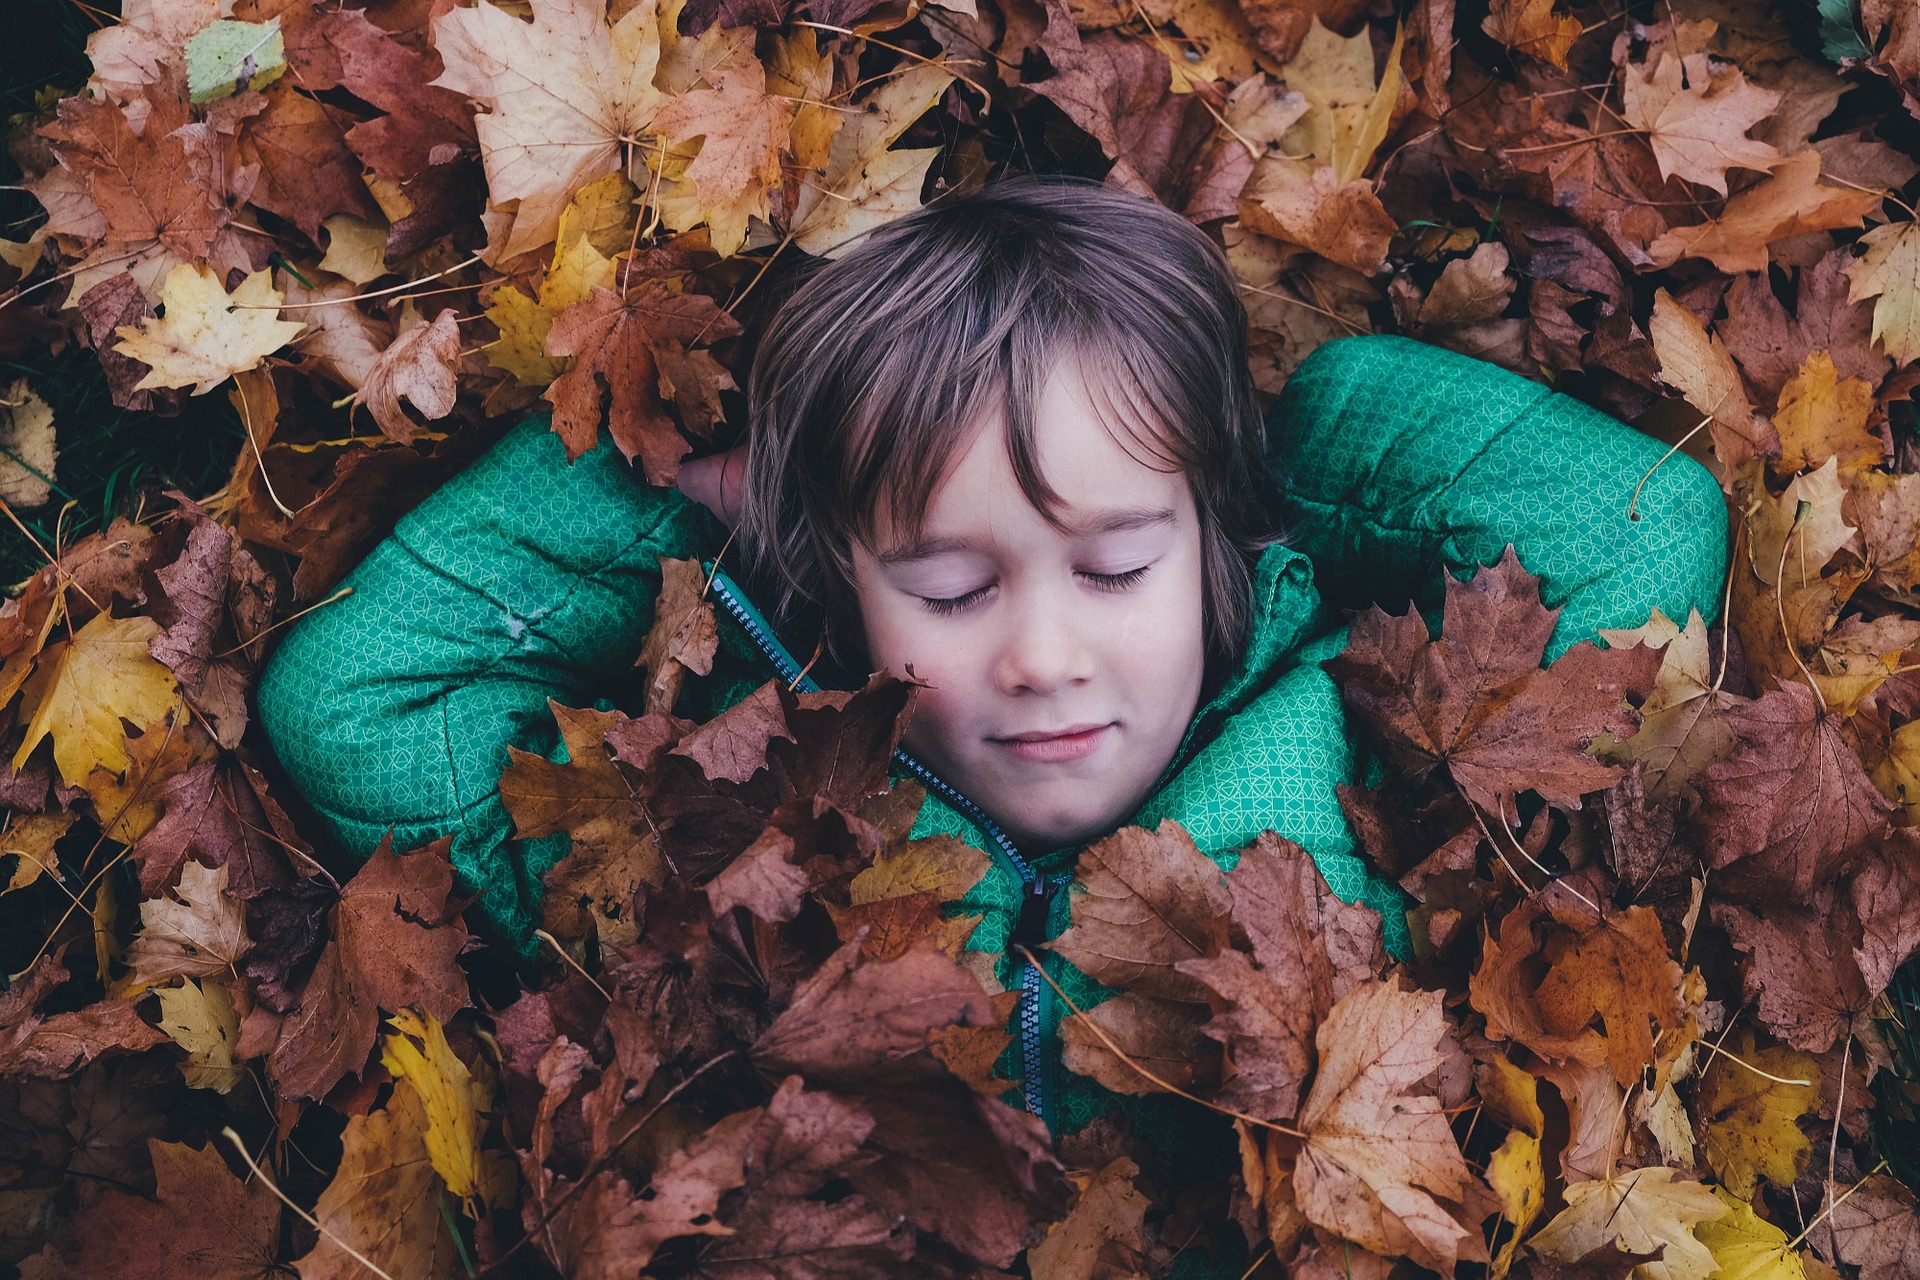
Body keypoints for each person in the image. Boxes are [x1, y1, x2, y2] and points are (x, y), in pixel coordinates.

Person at [255, 175, 1728, 1255]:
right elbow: (356, 698)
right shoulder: (724, 846)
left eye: (1118, 563)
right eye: (952, 588)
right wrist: (675, 494)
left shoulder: (1364, 749)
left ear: (1209, 542)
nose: (1043, 653)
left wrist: (1290, 445)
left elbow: (1642, 529)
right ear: (841, 594)